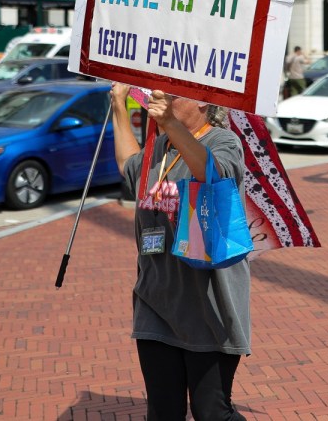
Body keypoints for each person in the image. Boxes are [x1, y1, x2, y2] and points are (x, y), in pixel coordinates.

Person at [110, 83, 251, 421]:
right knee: (162, 413)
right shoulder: (159, 147)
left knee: (212, 413)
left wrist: (170, 122)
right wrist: (118, 103)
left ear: (203, 104)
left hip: (209, 309)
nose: (160, 99)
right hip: (156, 302)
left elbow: (212, 173)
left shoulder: (222, 141)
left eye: (173, 96)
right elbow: (130, 168)